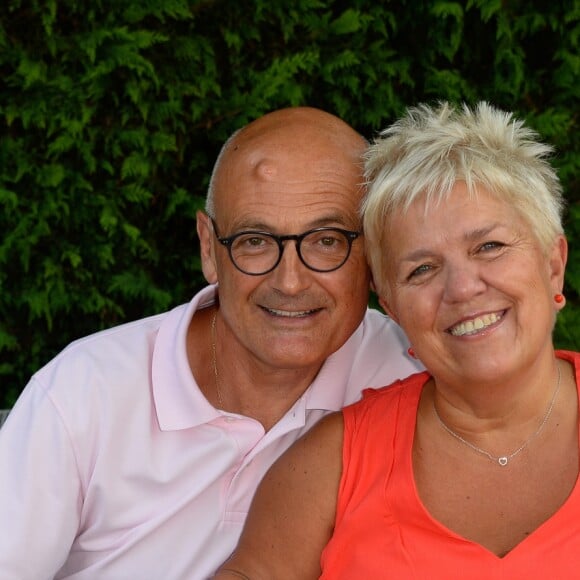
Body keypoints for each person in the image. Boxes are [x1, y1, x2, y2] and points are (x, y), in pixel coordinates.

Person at [0, 106, 421, 579]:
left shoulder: (411, 378)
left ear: (373, 251)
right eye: (255, 240)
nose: (290, 281)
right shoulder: (83, 392)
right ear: (208, 248)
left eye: (326, 241)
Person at [214, 101, 580, 579]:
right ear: (391, 308)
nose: (463, 288)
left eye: (489, 247)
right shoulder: (330, 465)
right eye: (421, 269)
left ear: (553, 264)